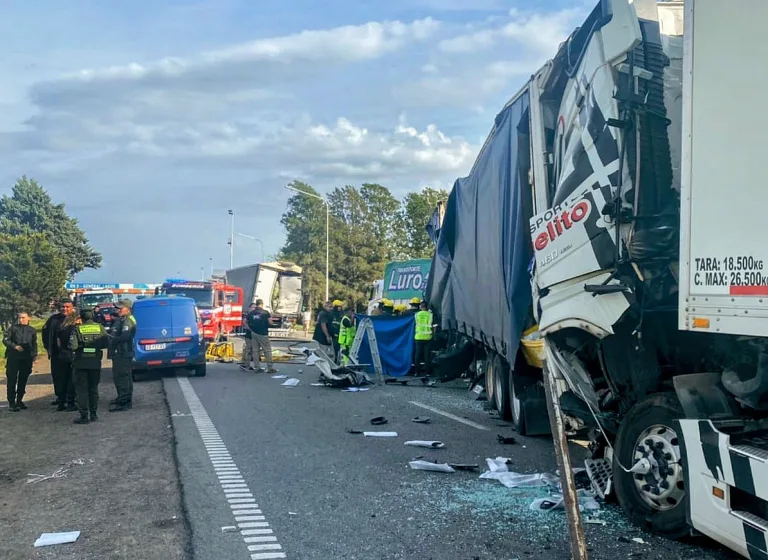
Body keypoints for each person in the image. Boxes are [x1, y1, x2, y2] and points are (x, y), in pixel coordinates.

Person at [69, 308, 108, 424]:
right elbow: (105, 343)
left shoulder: (77, 329)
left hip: (81, 364)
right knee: (93, 389)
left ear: (81, 317)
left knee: (81, 390)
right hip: (95, 363)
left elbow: (73, 346)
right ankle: (94, 414)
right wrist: (92, 349)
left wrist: (84, 348)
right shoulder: (100, 328)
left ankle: (84, 416)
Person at [42, 299, 77, 409]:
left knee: (72, 377)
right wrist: (47, 347)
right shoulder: (53, 319)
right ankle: (61, 398)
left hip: (72, 354)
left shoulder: (77, 319)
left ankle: (71, 399)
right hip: (57, 354)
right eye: (62, 307)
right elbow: (45, 333)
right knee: (58, 377)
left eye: (67, 307)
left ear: (72, 308)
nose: (64, 309)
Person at [3, 311, 38, 411]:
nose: (21, 320)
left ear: (28, 318)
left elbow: (34, 343)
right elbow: (5, 340)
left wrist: (34, 355)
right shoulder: (13, 328)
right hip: (13, 358)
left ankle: (19, 400)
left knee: (23, 380)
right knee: (12, 380)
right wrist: (15, 346)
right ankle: (11, 403)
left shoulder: (32, 330)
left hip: (26, 358)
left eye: (23, 318)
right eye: (19, 318)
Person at [109, 299, 137, 412]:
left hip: (123, 353)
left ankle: (124, 402)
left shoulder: (127, 320)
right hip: (122, 353)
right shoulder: (123, 319)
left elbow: (125, 336)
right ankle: (123, 398)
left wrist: (112, 339)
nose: (118, 310)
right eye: (117, 308)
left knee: (122, 377)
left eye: (120, 308)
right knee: (124, 377)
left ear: (128, 309)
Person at [245, 299, 277, 373]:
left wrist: (250, 329)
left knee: (255, 351)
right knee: (267, 350)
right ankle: (270, 368)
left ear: (256, 304)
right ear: (262, 304)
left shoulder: (251, 313)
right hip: (263, 334)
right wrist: (273, 324)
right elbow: (270, 322)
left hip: (254, 334)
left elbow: (245, 321)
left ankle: (257, 367)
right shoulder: (266, 313)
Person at [414, 301, 434, 375]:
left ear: (420, 307)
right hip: (428, 337)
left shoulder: (416, 315)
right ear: (427, 307)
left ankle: (416, 372)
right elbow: (432, 326)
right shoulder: (430, 315)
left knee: (417, 355)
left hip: (418, 337)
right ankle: (428, 372)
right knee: (427, 356)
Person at [239, 303, 257, 371]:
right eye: (253, 307)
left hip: (254, 335)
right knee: (248, 350)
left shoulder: (255, 315)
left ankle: (246, 364)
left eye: (255, 307)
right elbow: (244, 322)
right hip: (249, 335)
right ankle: (245, 365)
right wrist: (249, 329)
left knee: (250, 350)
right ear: (249, 308)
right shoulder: (248, 315)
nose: (254, 309)